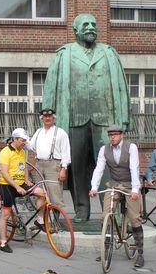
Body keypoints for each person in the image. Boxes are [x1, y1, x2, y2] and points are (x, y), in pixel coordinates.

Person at [42, 13, 131, 222]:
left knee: (110, 166)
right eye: (85, 24)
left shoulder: (108, 53)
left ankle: (111, 211)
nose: (91, 27)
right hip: (74, 119)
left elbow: (121, 87)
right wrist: (48, 116)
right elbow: (50, 88)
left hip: (104, 120)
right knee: (77, 168)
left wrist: (123, 117)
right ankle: (82, 211)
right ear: (75, 30)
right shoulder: (64, 54)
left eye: (93, 24)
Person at [88, 125, 144, 267]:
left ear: (121, 135)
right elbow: (99, 169)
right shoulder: (104, 149)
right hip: (113, 184)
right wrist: (94, 187)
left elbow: (134, 167)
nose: (112, 137)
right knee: (106, 214)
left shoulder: (131, 148)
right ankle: (105, 249)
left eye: (115, 134)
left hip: (129, 185)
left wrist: (136, 190)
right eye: (110, 135)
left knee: (134, 217)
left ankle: (140, 253)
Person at [0, 128, 46, 253]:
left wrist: (27, 180)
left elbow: (23, 167)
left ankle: (39, 220)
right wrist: (17, 187)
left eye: (25, 140)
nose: (24, 142)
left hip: (21, 183)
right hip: (7, 186)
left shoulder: (22, 152)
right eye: (22, 140)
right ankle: (3, 243)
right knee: (6, 214)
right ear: (14, 139)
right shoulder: (5, 152)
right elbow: (5, 173)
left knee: (42, 194)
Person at [26, 108, 71, 210]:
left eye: (49, 116)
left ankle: (56, 222)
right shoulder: (38, 132)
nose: (47, 118)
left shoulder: (60, 132)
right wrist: (21, 140)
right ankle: (41, 222)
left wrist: (63, 169)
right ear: (42, 118)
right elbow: (31, 146)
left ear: (53, 118)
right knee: (40, 194)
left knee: (55, 196)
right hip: (39, 164)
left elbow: (66, 152)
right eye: (45, 116)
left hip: (53, 165)